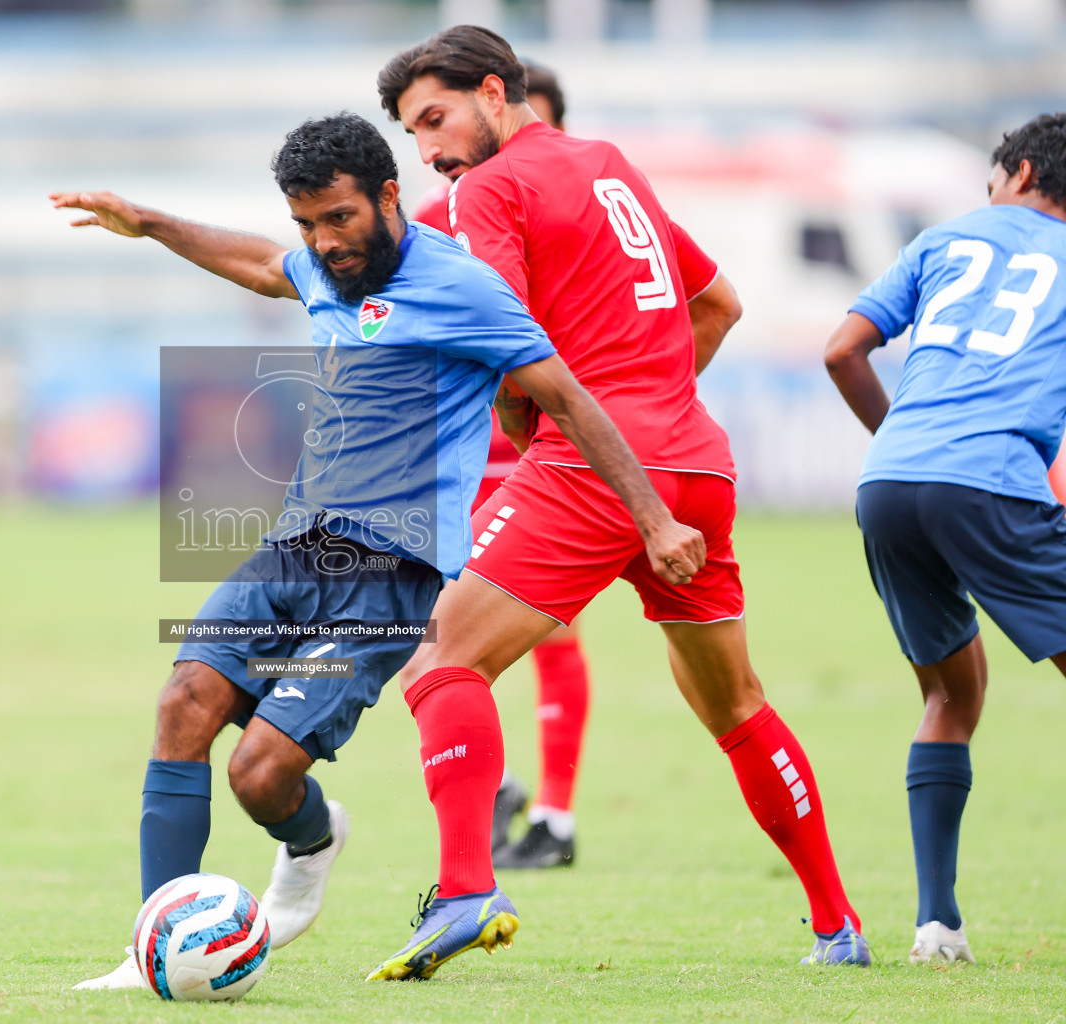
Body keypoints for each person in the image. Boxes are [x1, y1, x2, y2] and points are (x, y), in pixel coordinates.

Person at [53, 112, 705, 990]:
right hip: (293, 551)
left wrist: (656, 520)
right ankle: (154, 948)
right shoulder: (322, 269)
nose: (324, 242)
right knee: (183, 705)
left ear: (389, 195)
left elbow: (571, 400)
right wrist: (154, 223)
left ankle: (314, 838)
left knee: (257, 776)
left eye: (339, 219)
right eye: (308, 225)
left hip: (389, 579)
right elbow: (256, 262)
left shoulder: (464, 287)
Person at [368, 26, 868, 979]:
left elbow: (500, 341)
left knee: (439, 655)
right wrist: (658, 407)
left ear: (491, 91)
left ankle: (468, 889)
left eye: (434, 119)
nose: (427, 149)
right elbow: (717, 303)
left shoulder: (487, 189)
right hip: (697, 464)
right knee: (734, 704)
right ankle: (838, 925)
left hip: (594, 469)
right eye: (410, 134)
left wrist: (541, 437)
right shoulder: (608, 164)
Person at [412, 60, 742, 870]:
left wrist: (618, 420)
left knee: (477, 644)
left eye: (436, 123)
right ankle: (497, 795)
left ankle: (522, 835)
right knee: (451, 645)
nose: (436, 149)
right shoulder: (445, 208)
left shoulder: (507, 188)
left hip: (567, 458)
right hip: (476, 458)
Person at [824, 112, 1066, 966]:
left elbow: (843, 351)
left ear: (1023, 170)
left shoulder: (944, 239)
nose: (988, 196)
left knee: (950, 697)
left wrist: (905, 444)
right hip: (992, 481)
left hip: (889, 483)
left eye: (992, 180)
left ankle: (937, 925)